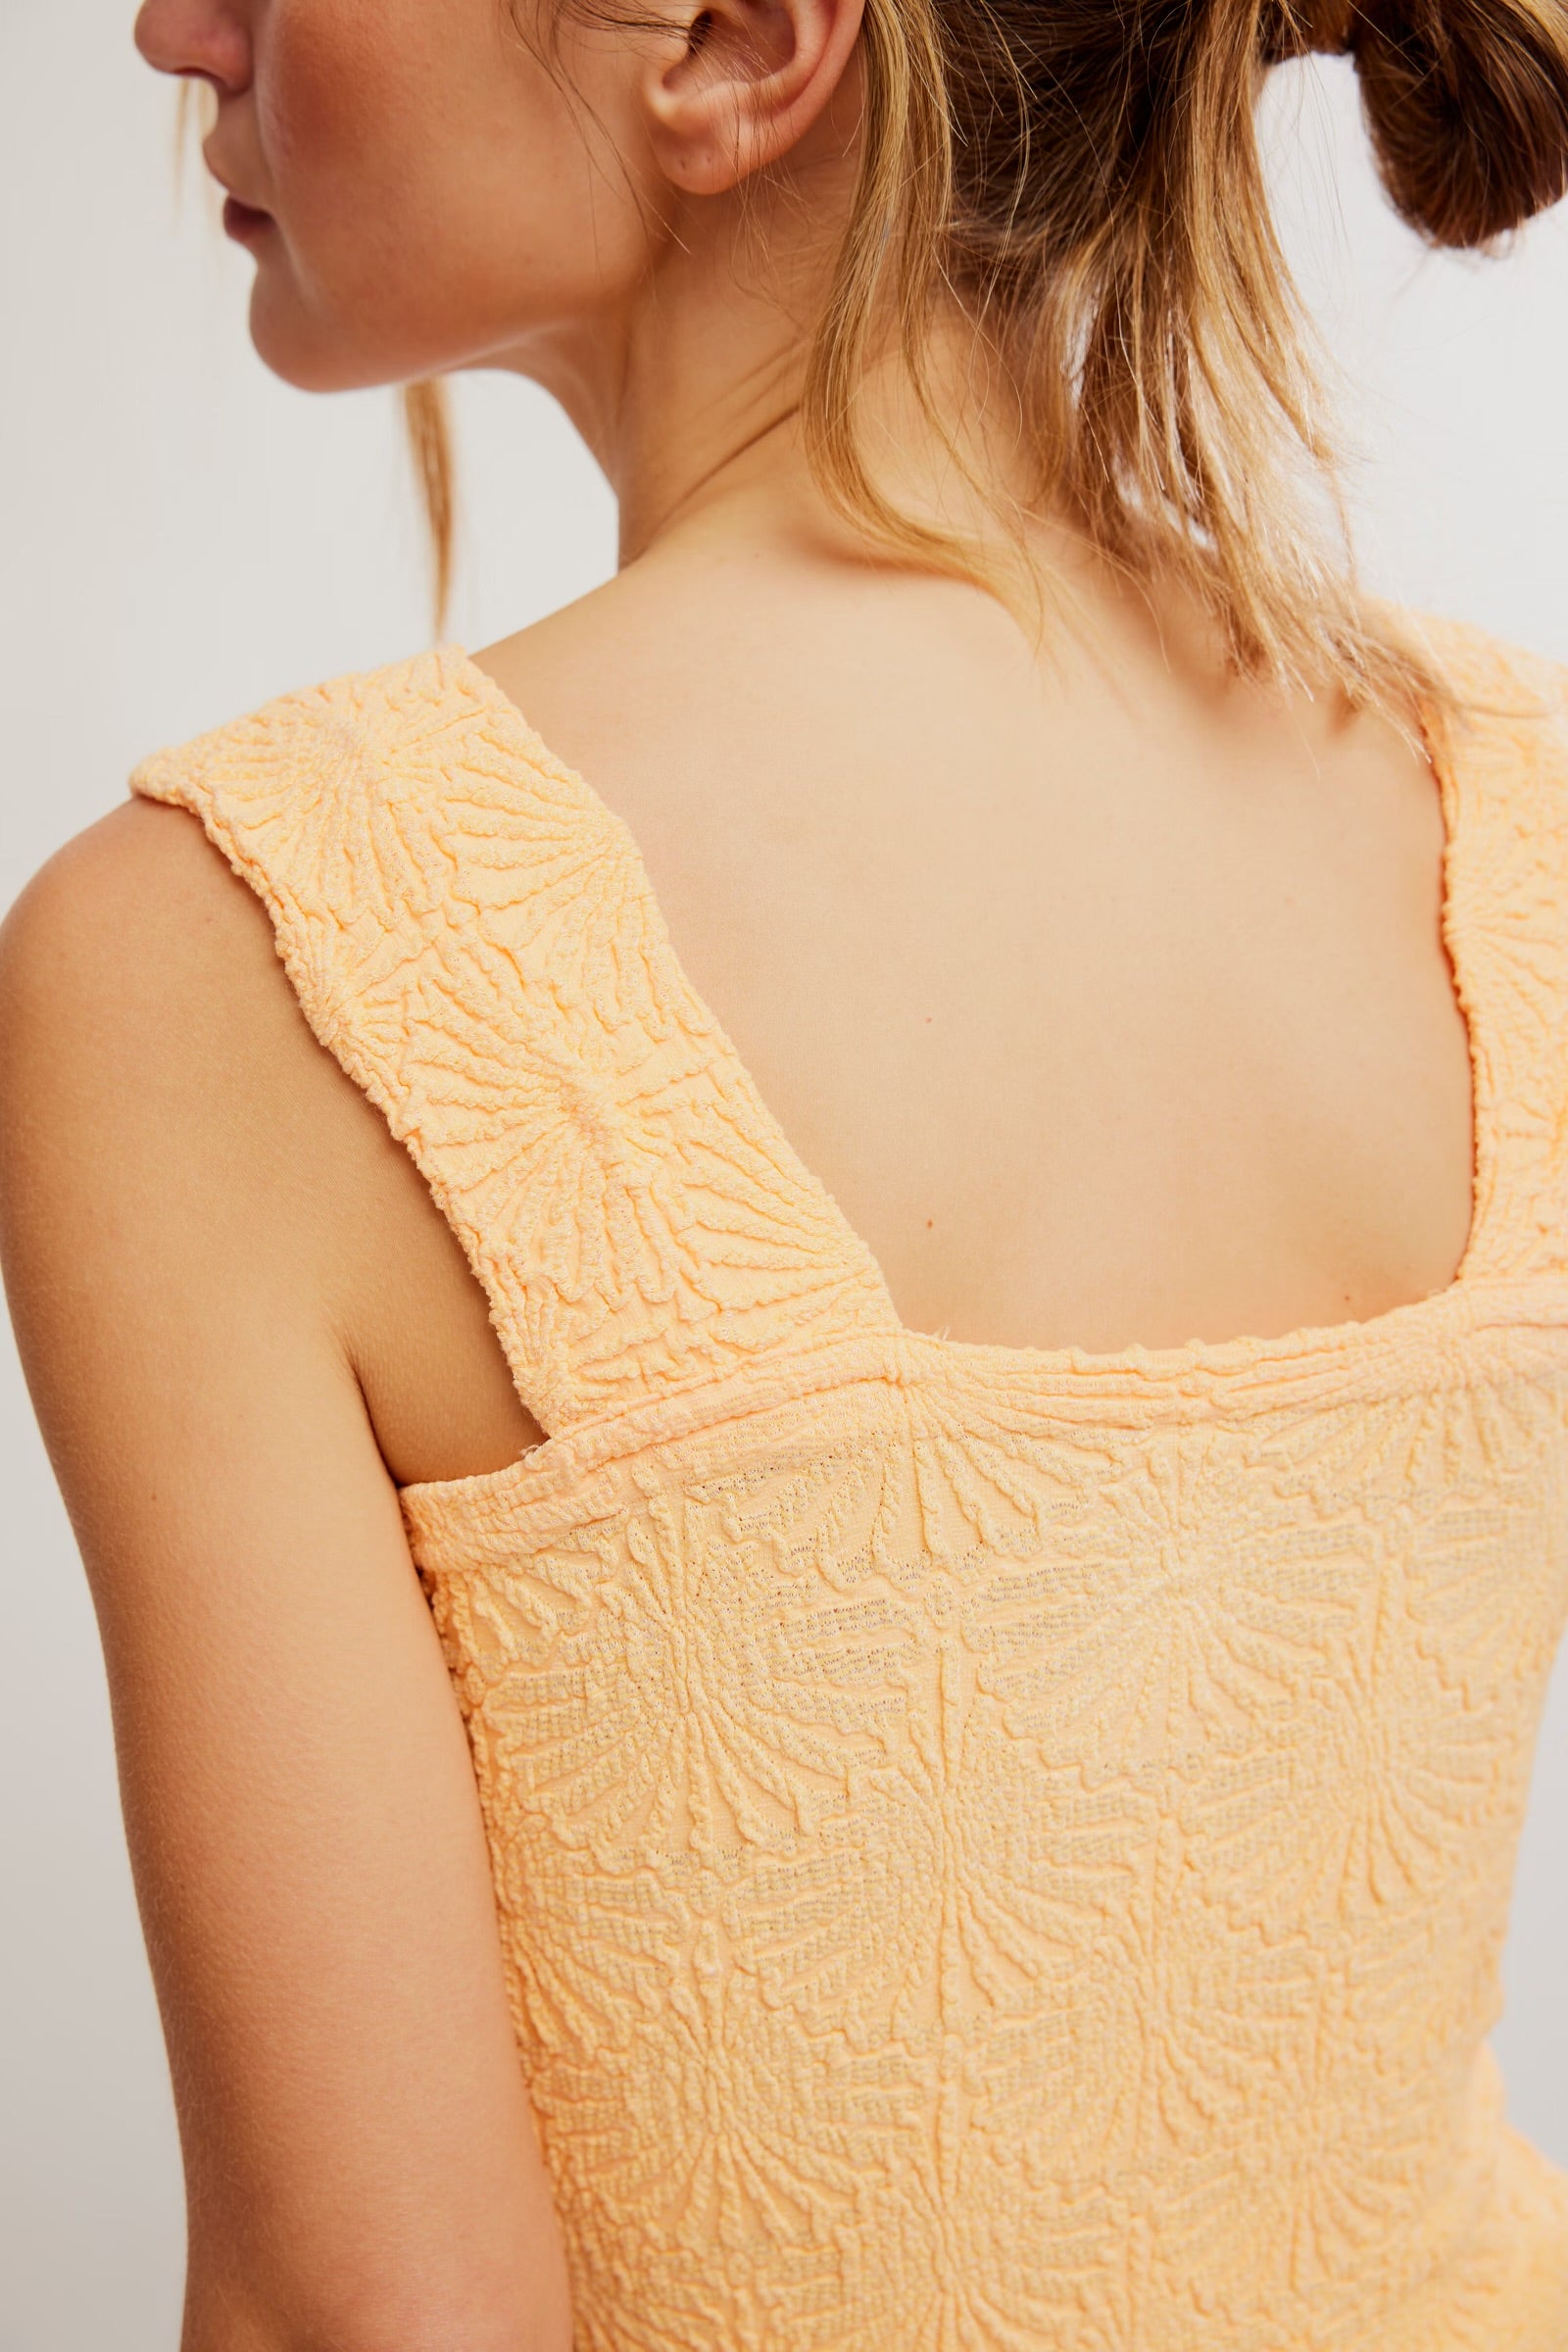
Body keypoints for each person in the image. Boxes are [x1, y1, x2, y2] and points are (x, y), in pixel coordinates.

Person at [4, 0, 1568, 2342]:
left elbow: (373, 2319)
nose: (172, 26)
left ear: (736, 40)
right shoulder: (1507, 826)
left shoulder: (232, 958)